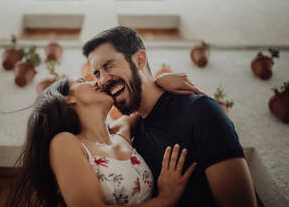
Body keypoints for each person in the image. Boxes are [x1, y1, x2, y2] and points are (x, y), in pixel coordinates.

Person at [82, 26, 258, 207]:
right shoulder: (132, 134)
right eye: (97, 73)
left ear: (140, 60)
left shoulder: (200, 111)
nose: (102, 80)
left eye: (109, 65)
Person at [8, 75, 198, 207]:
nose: (97, 82)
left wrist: (159, 81)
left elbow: (144, 103)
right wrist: (164, 200)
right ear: (68, 100)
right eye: (82, 80)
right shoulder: (65, 142)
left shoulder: (121, 136)